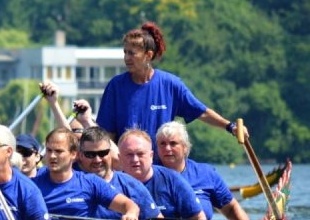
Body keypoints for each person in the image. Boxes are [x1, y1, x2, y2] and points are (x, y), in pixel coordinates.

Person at [96, 21, 247, 151]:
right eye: (125, 52)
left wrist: (231, 127)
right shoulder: (115, 86)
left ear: (148, 55)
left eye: (132, 53)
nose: (126, 58)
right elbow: (106, 134)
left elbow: (202, 112)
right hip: (127, 168)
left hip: (162, 169)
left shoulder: (171, 84)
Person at [77, 127, 178, 220]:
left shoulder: (130, 185)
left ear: (110, 154)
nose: (97, 160)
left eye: (102, 153)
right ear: (80, 155)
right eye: (90, 154)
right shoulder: (72, 184)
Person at [117, 129, 217, 220]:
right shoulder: (110, 184)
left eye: (140, 154)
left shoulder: (172, 180)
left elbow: (199, 219)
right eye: (129, 155)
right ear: (119, 158)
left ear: (151, 156)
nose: (135, 160)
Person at [157, 121, 260, 220]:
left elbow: (230, 208)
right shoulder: (148, 175)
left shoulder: (205, 173)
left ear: (185, 147)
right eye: (162, 144)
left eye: (173, 143)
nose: (167, 149)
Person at [32, 127, 140, 220]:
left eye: (59, 151)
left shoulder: (90, 182)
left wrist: (131, 214)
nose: (52, 156)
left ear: (74, 154)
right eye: (49, 151)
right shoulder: (32, 186)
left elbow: (128, 205)